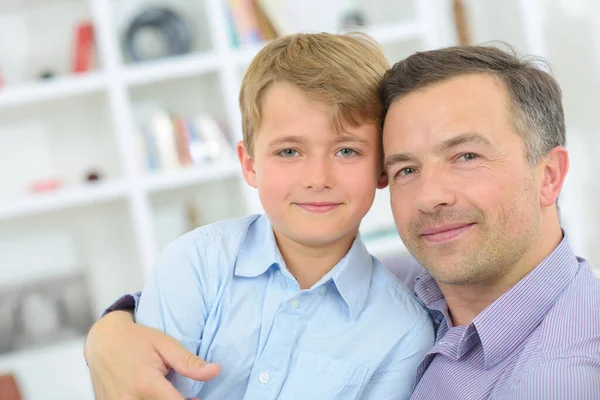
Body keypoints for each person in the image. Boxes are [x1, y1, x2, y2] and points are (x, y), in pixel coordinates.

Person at [85, 44, 600, 399]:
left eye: (466, 156)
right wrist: (112, 331)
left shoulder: (561, 375)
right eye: (406, 168)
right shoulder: (414, 278)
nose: (431, 197)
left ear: (549, 175)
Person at [85, 32, 434, 400]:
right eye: (288, 152)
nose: (318, 179)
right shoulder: (194, 267)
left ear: (382, 168)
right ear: (250, 165)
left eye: (346, 151)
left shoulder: (403, 333)